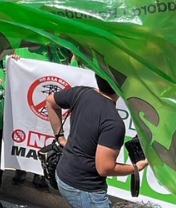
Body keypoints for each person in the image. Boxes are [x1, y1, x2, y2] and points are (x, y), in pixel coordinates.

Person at [45, 74, 148, 208]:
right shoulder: (113, 123)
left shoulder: (81, 92)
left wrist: (60, 137)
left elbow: (50, 101)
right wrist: (136, 168)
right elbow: (104, 168)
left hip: (63, 175)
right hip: (85, 189)